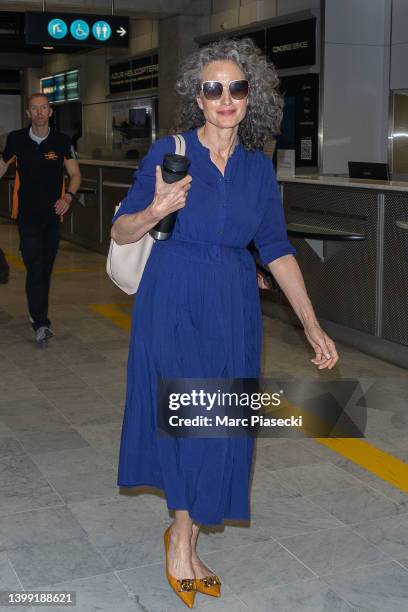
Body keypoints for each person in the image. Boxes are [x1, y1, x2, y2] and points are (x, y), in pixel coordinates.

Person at [111, 38, 339, 608]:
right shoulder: (170, 151)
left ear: (250, 95)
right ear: (198, 96)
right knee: (183, 421)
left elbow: (278, 249)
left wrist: (311, 323)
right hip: (173, 299)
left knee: (220, 424)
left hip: (234, 307)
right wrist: (157, 209)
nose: (225, 98)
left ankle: (182, 533)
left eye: (236, 87)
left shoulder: (259, 171)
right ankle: (181, 544)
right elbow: (120, 232)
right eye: (213, 88)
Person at [0, 93, 81, 343]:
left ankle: (36, 310)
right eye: (34, 109)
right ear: (28, 113)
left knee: (44, 268)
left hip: (53, 216)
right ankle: (40, 321)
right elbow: (2, 167)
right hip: (25, 215)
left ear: (50, 111)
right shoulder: (16, 139)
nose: (39, 113)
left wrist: (67, 198)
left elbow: (75, 174)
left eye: (43, 108)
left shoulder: (61, 141)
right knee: (35, 266)